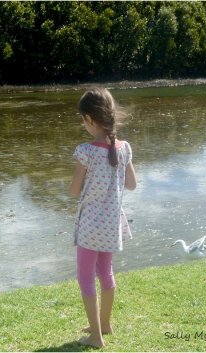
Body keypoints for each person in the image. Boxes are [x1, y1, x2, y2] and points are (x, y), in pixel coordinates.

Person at [69, 88, 137, 348]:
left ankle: (96, 337)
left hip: (90, 225)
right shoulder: (124, 148)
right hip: (112, 224)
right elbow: (131, 184)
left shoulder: (85, 151)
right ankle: (105, 324)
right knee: (106, 273)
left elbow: (74, 190)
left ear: (89, 119)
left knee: (85, 277)